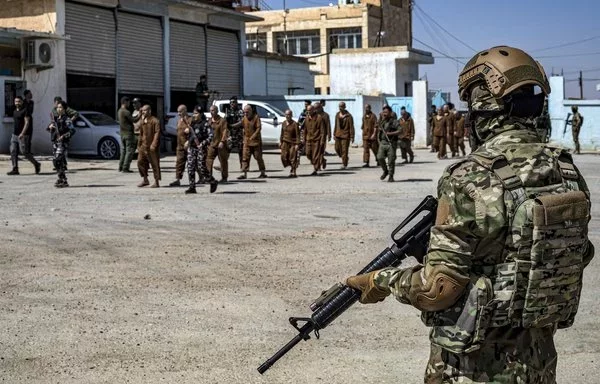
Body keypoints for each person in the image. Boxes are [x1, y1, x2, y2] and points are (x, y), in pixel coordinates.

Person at [345, 45, 594, 384]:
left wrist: (380, 281)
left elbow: (438, 289)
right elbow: (579, 253)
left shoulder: (469, 177)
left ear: (482, 109)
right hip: (539, 362)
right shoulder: (566, 170)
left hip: (473, 368)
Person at [184, 105, 218, 194]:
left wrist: (203, 143)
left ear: (201, 114)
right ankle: (192, 187)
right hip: (192, 148)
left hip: (201, 148)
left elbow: (211, 136)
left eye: (196, 113)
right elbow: (191, 135)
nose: (194, 115)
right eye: (193, 113)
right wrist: (188, 141)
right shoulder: (193, 123)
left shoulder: (205, 124)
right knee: (190, 167)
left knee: (201, 168)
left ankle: (212, 181)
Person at [8, 96, 41, 175]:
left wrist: (22, 133)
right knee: (13, 151)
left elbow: (27, 123)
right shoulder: (14, 111)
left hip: (24, 135)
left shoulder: (26, 110)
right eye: (16, 101)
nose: (17, 103)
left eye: (19, 101)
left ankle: (36, 164)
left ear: (22, 102)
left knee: (24, 152)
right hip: (14, 135)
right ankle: (15, 168)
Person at [47, 101, 75, 187]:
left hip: (62, 142)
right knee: (57, 162)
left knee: (58, 159)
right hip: (55, 142)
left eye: (61, 107)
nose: (59, 109)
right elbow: (49, 129)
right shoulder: (55, 119)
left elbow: (72, 130)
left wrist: (64, 136)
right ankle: (61, 178)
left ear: (64, 109)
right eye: (58, 107)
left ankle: (63, 179)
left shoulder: (67, 119)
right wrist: (50, 127)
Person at [238, 104, 267, 180]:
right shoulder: (244, 118)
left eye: (247, 112)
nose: (245, 114)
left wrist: (253, 136)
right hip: (247, 142)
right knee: (245, 158)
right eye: (244, 112)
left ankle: (263, 172)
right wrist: (230, 125)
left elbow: (258, 128)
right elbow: (240, 124)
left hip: (256, 142)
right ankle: (244, 173)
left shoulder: (256, 117)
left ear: (251, 111)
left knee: (258, 157)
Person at [137, 105, 161, 188]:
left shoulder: (155, 121)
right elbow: (140, 133)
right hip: (143, 146)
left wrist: (154, 144)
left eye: (145, 110)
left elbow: (157, 133)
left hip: (151, 147)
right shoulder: (143, 121)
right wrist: (139, 144)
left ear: (149, 111)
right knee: (140, 162)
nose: (143, 112)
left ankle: (156, 181)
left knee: (155, 164)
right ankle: (145, 179)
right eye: (142, 110)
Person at [376, 105, 400, 182]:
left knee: (391, 161)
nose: (384, 113)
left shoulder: (394, 121)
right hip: (383, 143)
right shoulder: (382, 121)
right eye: (383, 112)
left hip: (391, 143)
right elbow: (377, 126)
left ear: (390, 113)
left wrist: (391, 133)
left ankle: (391, 175)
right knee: (379, 157)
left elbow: (400, 130)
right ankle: (385, 171)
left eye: (386, 112)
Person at [206, 105, 229, 182]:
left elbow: (225, 132)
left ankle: (224, 177)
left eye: (213, 110)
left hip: (220, 145)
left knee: (223, 161)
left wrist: (222, 141)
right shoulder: (209, 121)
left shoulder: (222, 121)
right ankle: (208, 177)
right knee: (209, 160)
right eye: (210, 110)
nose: (211, 112)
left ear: (217, 111)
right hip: (212, 144)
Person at [303, 104, 327, 176]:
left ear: (314, 110)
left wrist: (322, 141)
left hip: (317, 140)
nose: (308, 112)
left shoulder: (319, 118)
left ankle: (315, 169)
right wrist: (304, 139)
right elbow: (305, 130)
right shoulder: (306, 118)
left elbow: (322, 131)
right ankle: (322, 160)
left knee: (315, 156)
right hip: (308, 140)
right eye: (307, 110)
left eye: (310, 110)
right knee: (308, 154)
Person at [170, 105, 190, 186]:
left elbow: (194, 132)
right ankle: (178, 180)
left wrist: (188, 141)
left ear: (185, 110)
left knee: (193, 163)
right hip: (180, 146)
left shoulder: (190, 120)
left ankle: (202, 177)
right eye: (178, 111)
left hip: (189, 145)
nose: (178, 113)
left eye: (180, 111)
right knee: (179, 163)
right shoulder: (179, 120)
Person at [279, 109, 300, 178]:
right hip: (285, 142)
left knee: (293, 157)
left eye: (289, 115)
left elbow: (297, 135)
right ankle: (291, 166)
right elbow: (282, 133)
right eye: (286, 115)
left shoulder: (295, 124)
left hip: (292, 143)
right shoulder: (284, 123)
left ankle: (293, 171)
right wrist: (280, 141)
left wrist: (297, 144)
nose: (287, 116)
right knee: (283, 157)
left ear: (291, 115)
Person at [333, 101, 355, 169]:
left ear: (345, 107)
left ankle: (344, 164)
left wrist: (352, 136)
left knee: (344, 150)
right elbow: (336, 124)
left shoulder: (349, 116)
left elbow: (351, 126)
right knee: (337, 149)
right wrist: (334, 133)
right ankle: (344, 157)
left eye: (342, 106)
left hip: (345, 135)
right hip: (338, 134)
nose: (340, 108)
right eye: (339, 106)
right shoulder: (337, 114)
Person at [117, 96, 136, 172]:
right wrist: (140, 114)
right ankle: (125, 167)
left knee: (123, 150)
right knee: (129, 151)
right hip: (128, 133)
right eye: (128, 102)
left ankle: (120, 167)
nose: (129, 104)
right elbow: (134, 120)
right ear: (125, 102)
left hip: (122, 133)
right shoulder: (126, 111)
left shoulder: (119, 111)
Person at [226, 96, 244, 169]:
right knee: (227, 150)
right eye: (231, 102)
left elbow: (241, 122)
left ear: (237, 103)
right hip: (230, 134)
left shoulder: (240, 111)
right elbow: (225, 121)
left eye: (234, 102)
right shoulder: (228, 111)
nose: (232, 104)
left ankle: (243, 167)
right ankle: (223, 165)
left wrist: (232, 126)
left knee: (241, 151)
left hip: (238, 134)